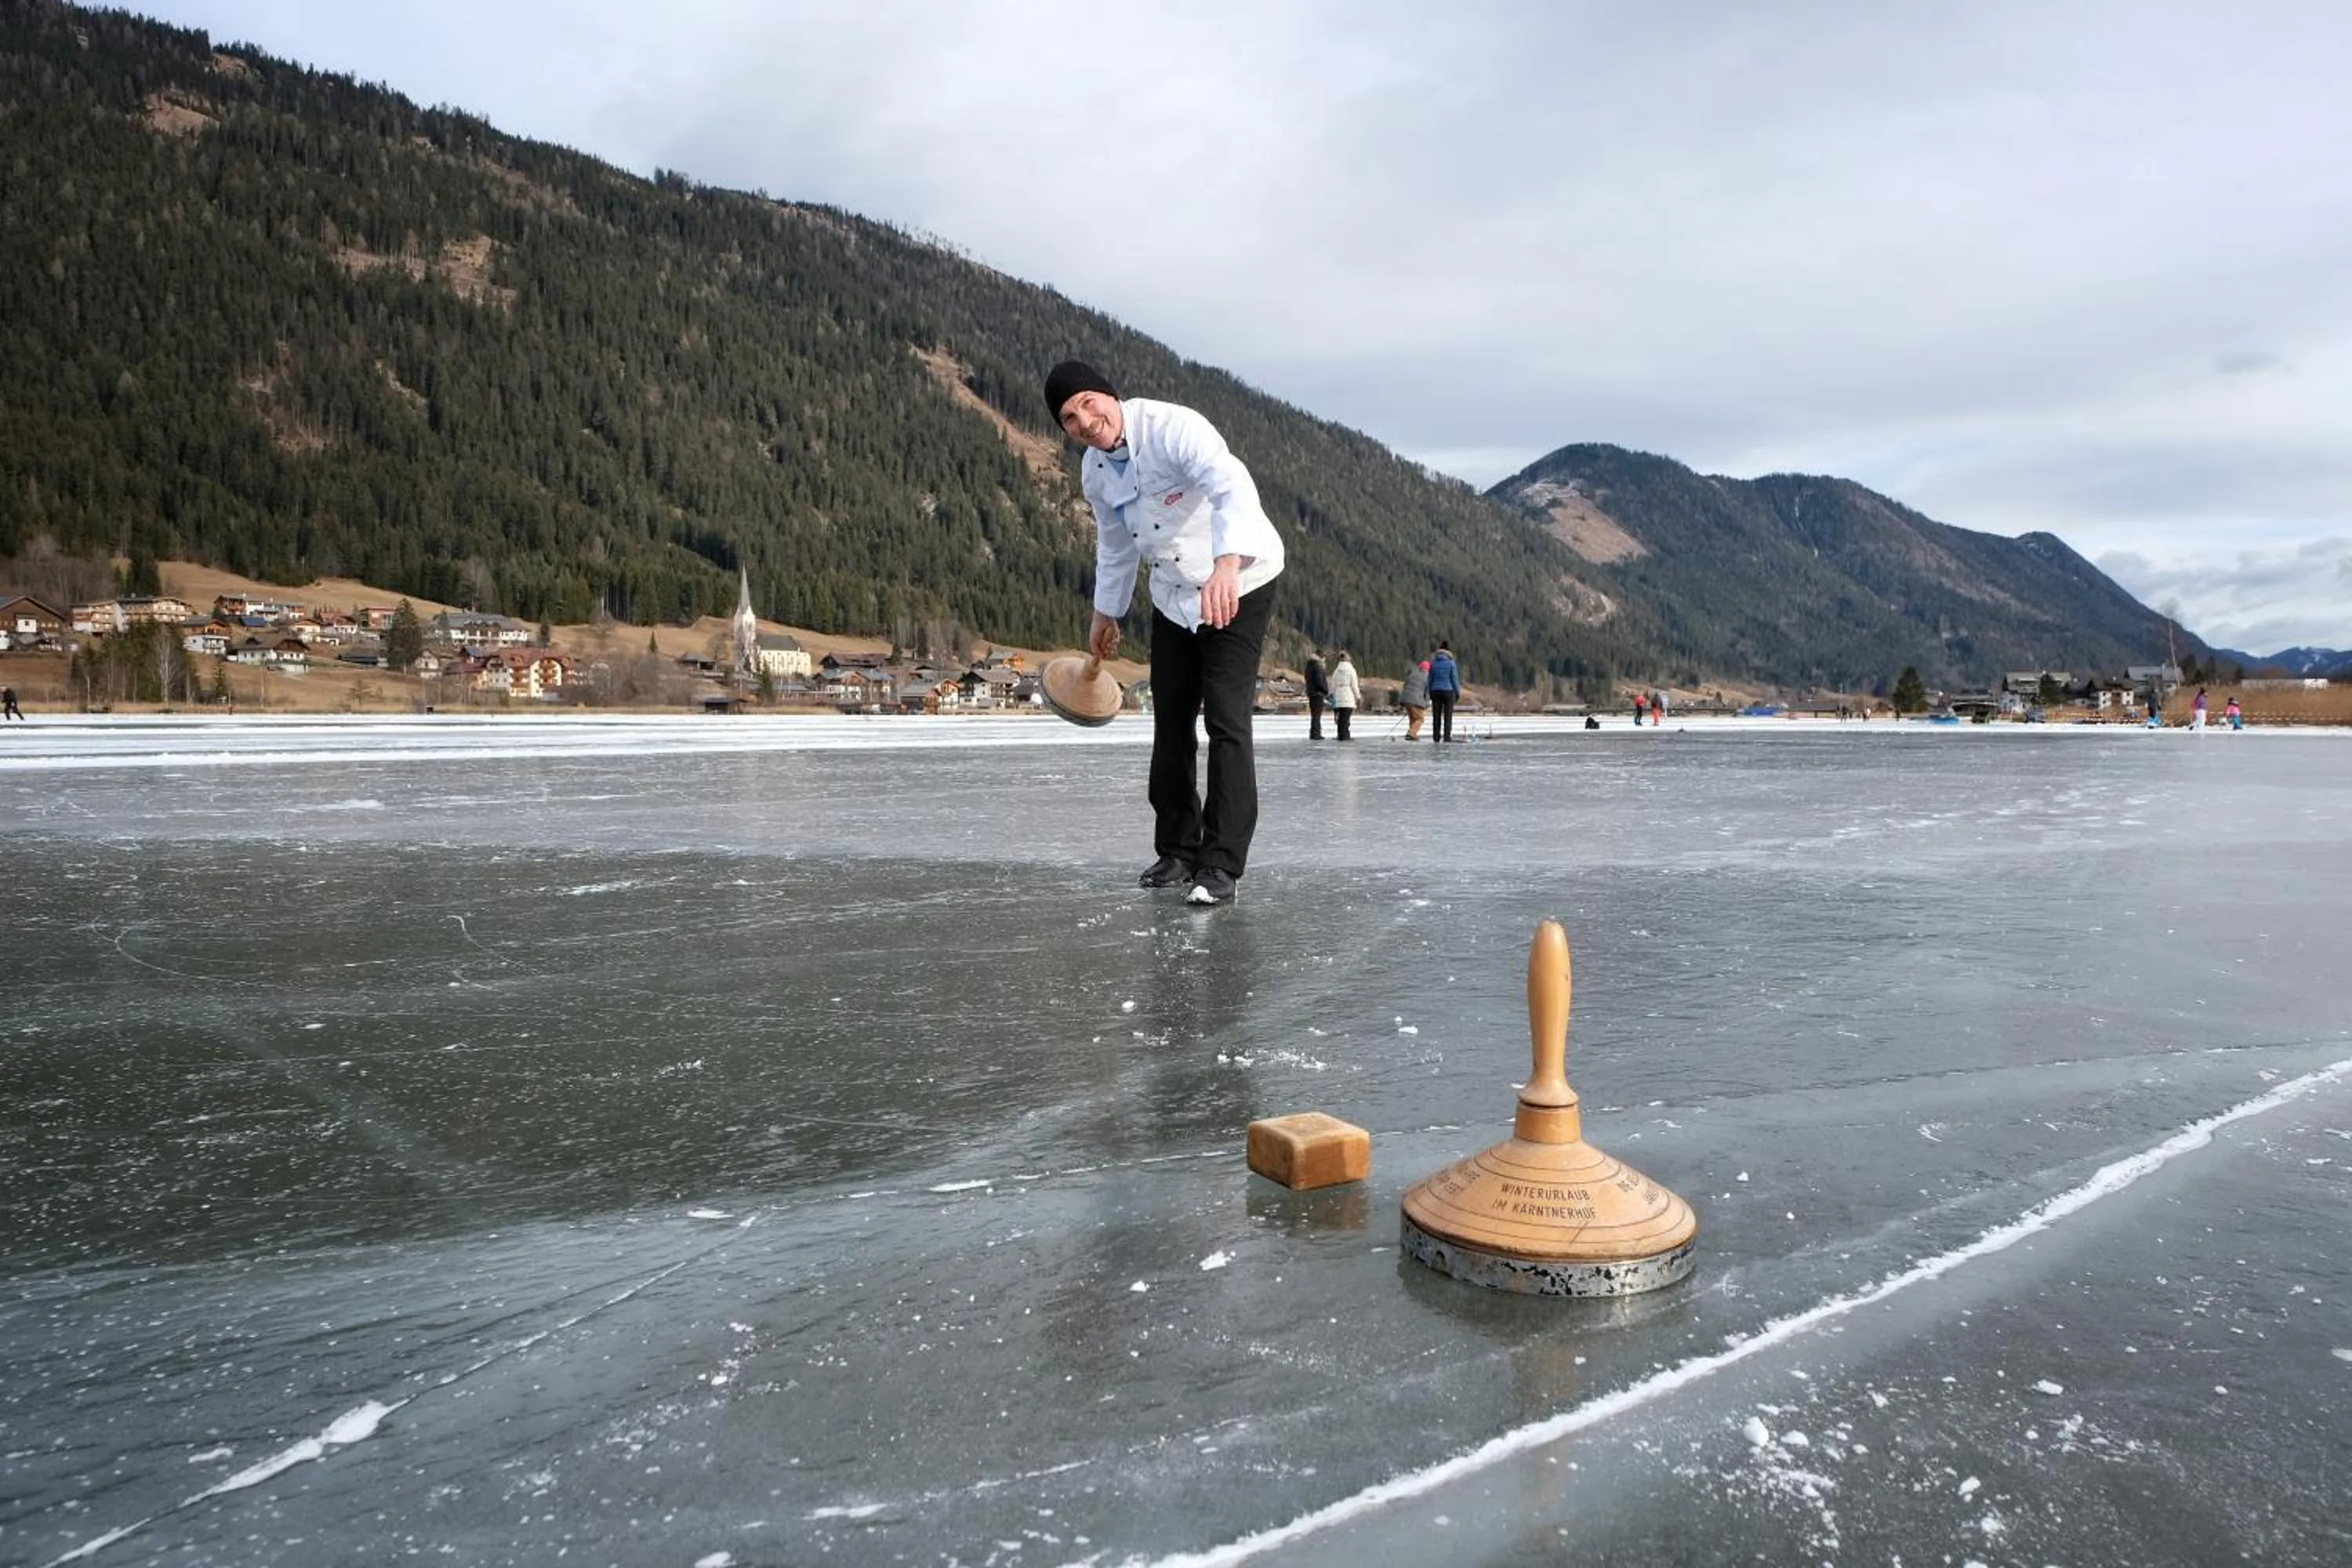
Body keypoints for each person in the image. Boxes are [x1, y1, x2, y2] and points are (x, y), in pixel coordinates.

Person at [1047, 360, 1285, 906]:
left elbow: (1233, 489)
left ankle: (1221, 865)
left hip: (1240, 579)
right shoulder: (1095, 471)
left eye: (1089, 403)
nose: (1085, 420)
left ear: (1111, 395)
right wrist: (1105, 612)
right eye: (1068, 417)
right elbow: (1115, 542)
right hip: (1174, 593)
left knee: (1226, 719)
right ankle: (1179, 849)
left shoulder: (1173, 428)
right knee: (1171, 718)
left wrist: (1228, 564)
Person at [1426, 642, 1460, 742]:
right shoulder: (1451, 663)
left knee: (1436, 716)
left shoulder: (1433, 663)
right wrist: (1458, 693)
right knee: (1447, 716)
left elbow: (1430, 679)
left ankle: (1436, 737)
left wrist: (1429, 692)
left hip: (1435, 691)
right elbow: (1454, 679)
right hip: (1448, 691)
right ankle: (1447, 737)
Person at [1327, 648, 1359, 741]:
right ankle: (1345, 736)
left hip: (1338, 697)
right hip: (1348, 696)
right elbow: (1354, 685)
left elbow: (1333, 685)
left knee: (1340, 719)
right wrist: (1358, 697)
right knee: (1346, 719)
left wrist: (1331, 694)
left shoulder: (1336, 671)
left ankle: (1341, 735)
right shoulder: (1351, 670)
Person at [1399, 659, 1430, 740]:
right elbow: (1427, 693)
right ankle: (1411, 733)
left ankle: (1412, 734)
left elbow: (1405, 686)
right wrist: (1427, 704)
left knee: (1413, 719)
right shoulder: (1427, 677)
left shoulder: (1412, 675)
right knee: (1419, 719)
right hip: (1416, 701)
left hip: (1406, 700)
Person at [1304, 652, 1328, 740]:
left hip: (1311, 693)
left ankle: (1314, 732)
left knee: (1314, 715)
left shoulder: (1309, 666)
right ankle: (1316, 733)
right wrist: (1326, 690)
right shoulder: (1318, 667)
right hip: (1318, 693)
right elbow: (1319, 681)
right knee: (1317, 715)